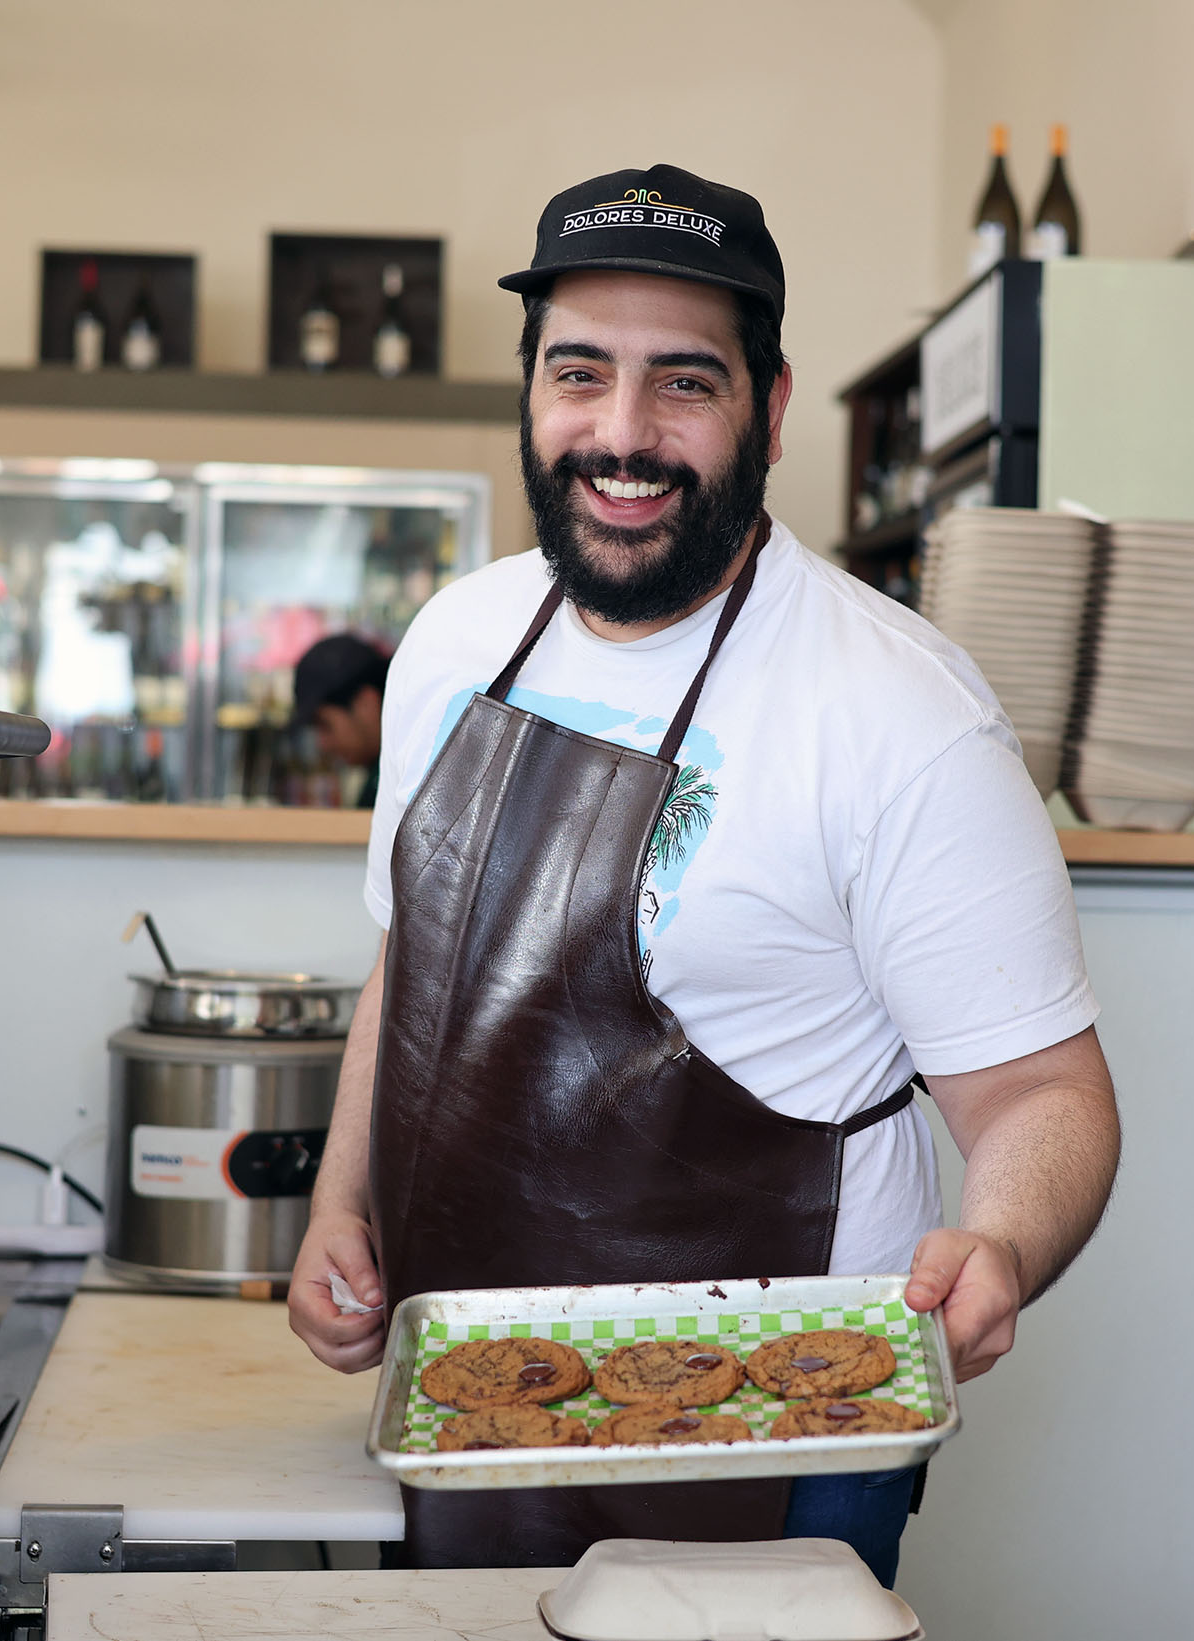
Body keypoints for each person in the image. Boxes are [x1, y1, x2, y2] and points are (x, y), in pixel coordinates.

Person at [287, 163, 1119, 1584]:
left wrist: (1000, 1245)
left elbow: (1046, 1095)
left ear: (770, 407)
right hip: (470, 1392)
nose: (621, 433)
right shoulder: (451, 642)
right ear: (530, 390)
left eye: (683, 382)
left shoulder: (901, 711)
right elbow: (408, 966)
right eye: (579, 373)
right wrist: (338, 1211)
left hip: (779, 1426)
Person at [293, 633, 389, 808]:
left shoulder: (400, 784)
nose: (323, 744)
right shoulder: (383, 774)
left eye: (325, 725)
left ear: (366, 704)